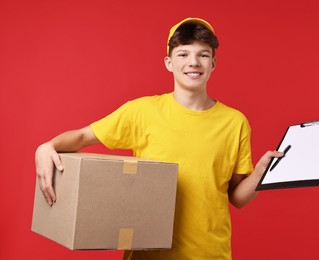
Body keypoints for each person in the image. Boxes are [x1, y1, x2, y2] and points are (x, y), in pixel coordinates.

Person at [35, 17, 283, 260]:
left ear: (214, 63)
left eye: (203, 55)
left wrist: (261, 171)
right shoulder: (142, 112)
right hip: (149, 255)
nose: (193, 62)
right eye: (183, 54)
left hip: (210, 254)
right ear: (168, 62)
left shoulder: (234, 122)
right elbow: (81, 136)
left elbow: (236, 197)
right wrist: (47, 147)